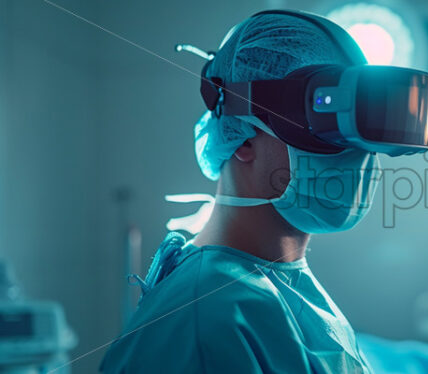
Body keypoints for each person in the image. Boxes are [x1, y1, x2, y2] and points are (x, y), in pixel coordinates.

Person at [100, 10, 382, 373]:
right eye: (324, 116)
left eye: (362, 121)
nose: (356, 151)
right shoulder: (204, 322)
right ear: (242, 138)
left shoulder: (281, 280)